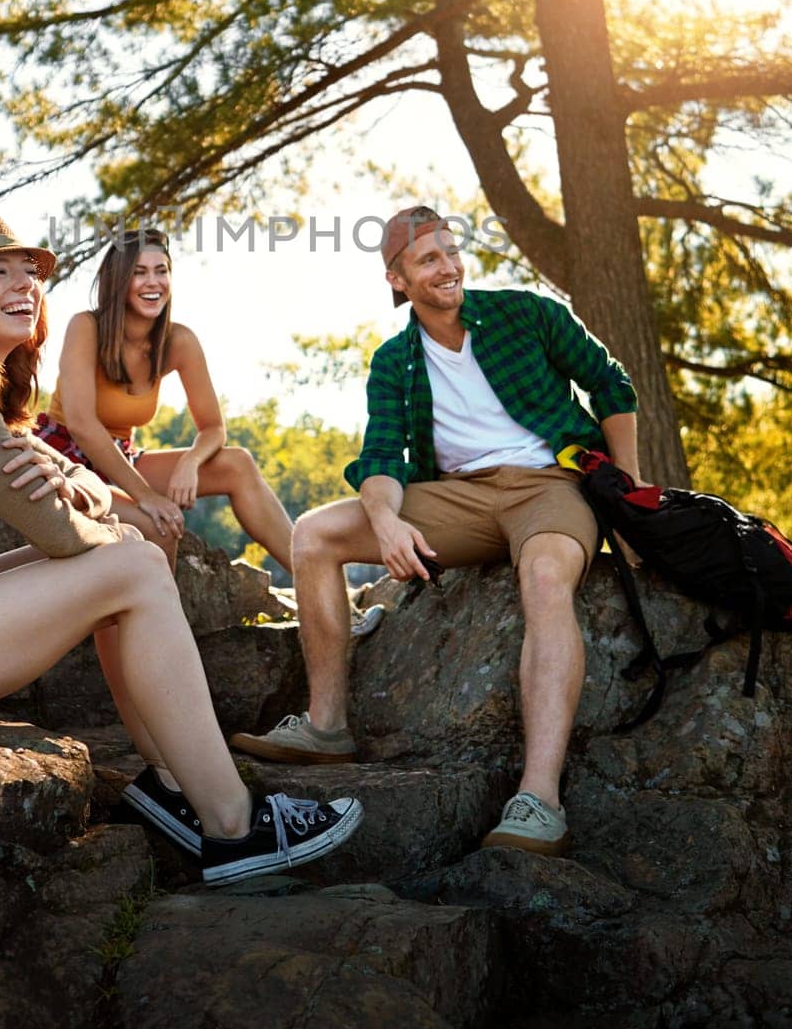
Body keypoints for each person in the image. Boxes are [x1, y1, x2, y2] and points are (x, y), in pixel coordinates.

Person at [0, 203, 361, 885]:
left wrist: (72, 480)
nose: (24, 284)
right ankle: (233, 826)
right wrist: (78, 495)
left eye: (30, 271)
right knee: (133, 568)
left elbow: (68, 476)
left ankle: (173, 784)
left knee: (131, 546)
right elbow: (56, 526)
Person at [231, 205, 642, 857]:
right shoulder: (395, 360)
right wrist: (385, 520)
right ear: (398, 281)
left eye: (449, 251)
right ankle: (327, 725)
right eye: (428, 259)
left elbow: (610, 385)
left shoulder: (526, 314)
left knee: (543, 576)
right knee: (312, 534)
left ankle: (539, 799)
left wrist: (630, 496)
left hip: (550, 486)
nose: (447, 266)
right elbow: (380, 459)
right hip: (455, 499)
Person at [36, 228, 295, 572]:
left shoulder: (179, 341)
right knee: (159, 525)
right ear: (119, 280)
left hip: (121, 457)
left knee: (238, 464)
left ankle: (315, 575)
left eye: (162, 271)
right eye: (139, 272)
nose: (153, 282)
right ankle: (158, 625)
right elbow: (83, 425)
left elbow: (214, 428)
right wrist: (147, 497)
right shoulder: (85, 326)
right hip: (66, 455)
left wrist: (191, 461)